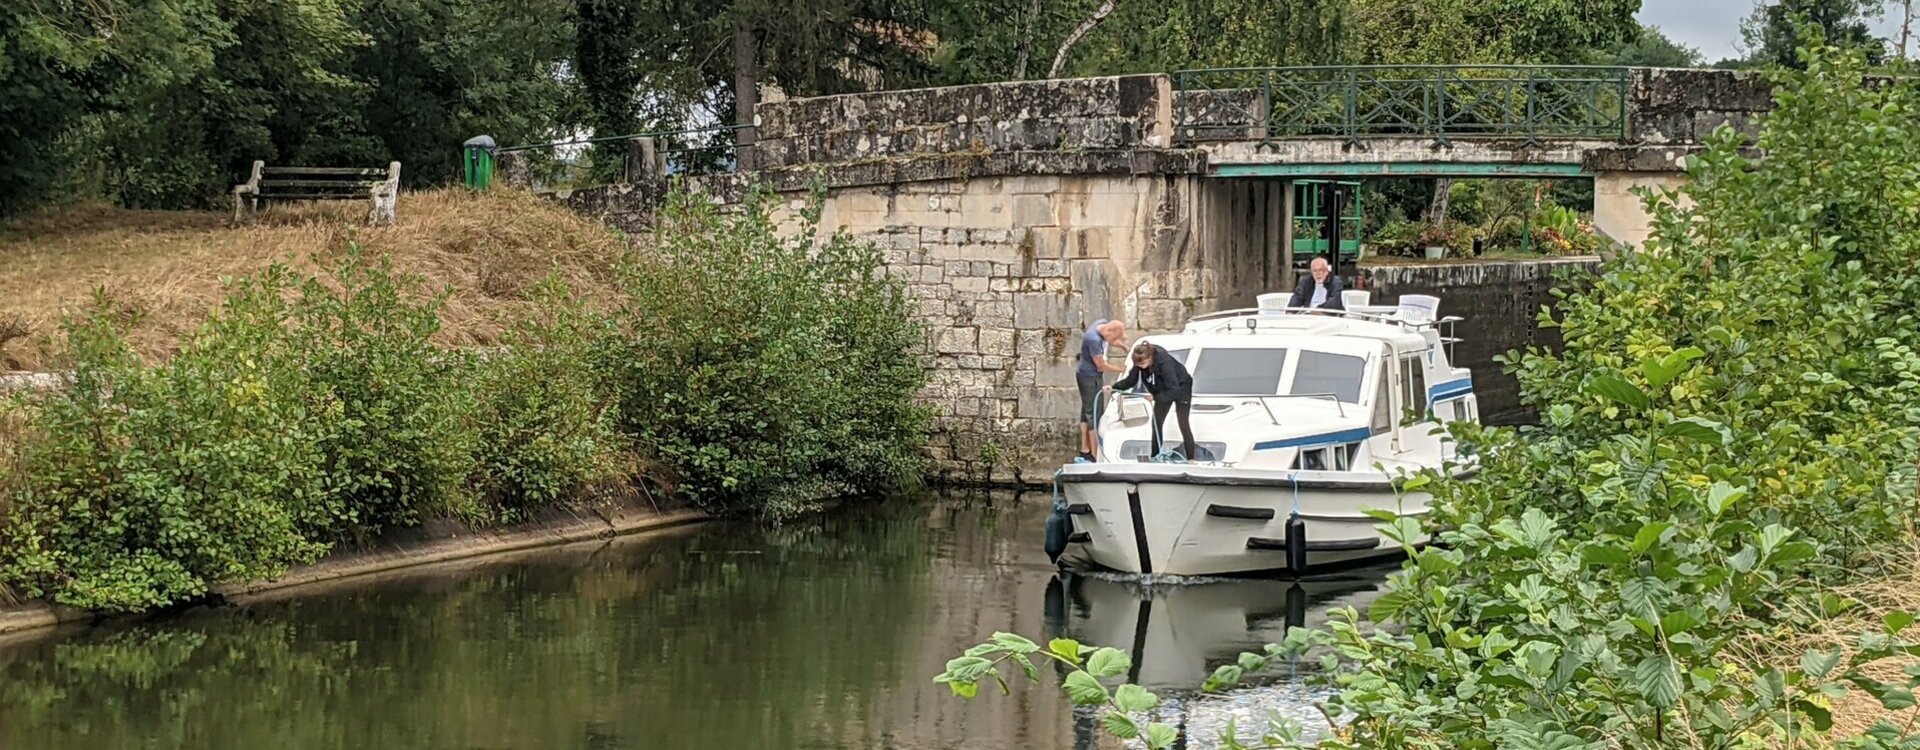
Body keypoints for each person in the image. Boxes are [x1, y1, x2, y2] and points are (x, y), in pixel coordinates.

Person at [1105, 342, 1196, 462]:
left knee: (1183, 423)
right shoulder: (1139, 363)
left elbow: (1174, 389)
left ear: (1150, 358)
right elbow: (1130, 381)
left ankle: (1191, 458)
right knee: (1156, 423)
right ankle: (1155, 456)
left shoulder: (1164, 363)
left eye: (1143, 364)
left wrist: (1156, 398)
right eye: (1138, 365)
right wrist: (1113, 388)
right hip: (1161, 390)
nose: (1141, 367)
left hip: (1181, 387)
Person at [1075, 318, 1128, 461]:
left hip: (1088, 374)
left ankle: (1084, 448)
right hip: (1089, 377)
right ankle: (1094, 453)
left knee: (1086, 410)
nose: (1113, 342)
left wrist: (1124, 347)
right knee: (1093, 412)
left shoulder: (1101, 324)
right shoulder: (1093, 340)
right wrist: (1121, 369)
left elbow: (1110, 340)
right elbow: (1101, 365)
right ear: (1109, 331)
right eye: (1114, 337)